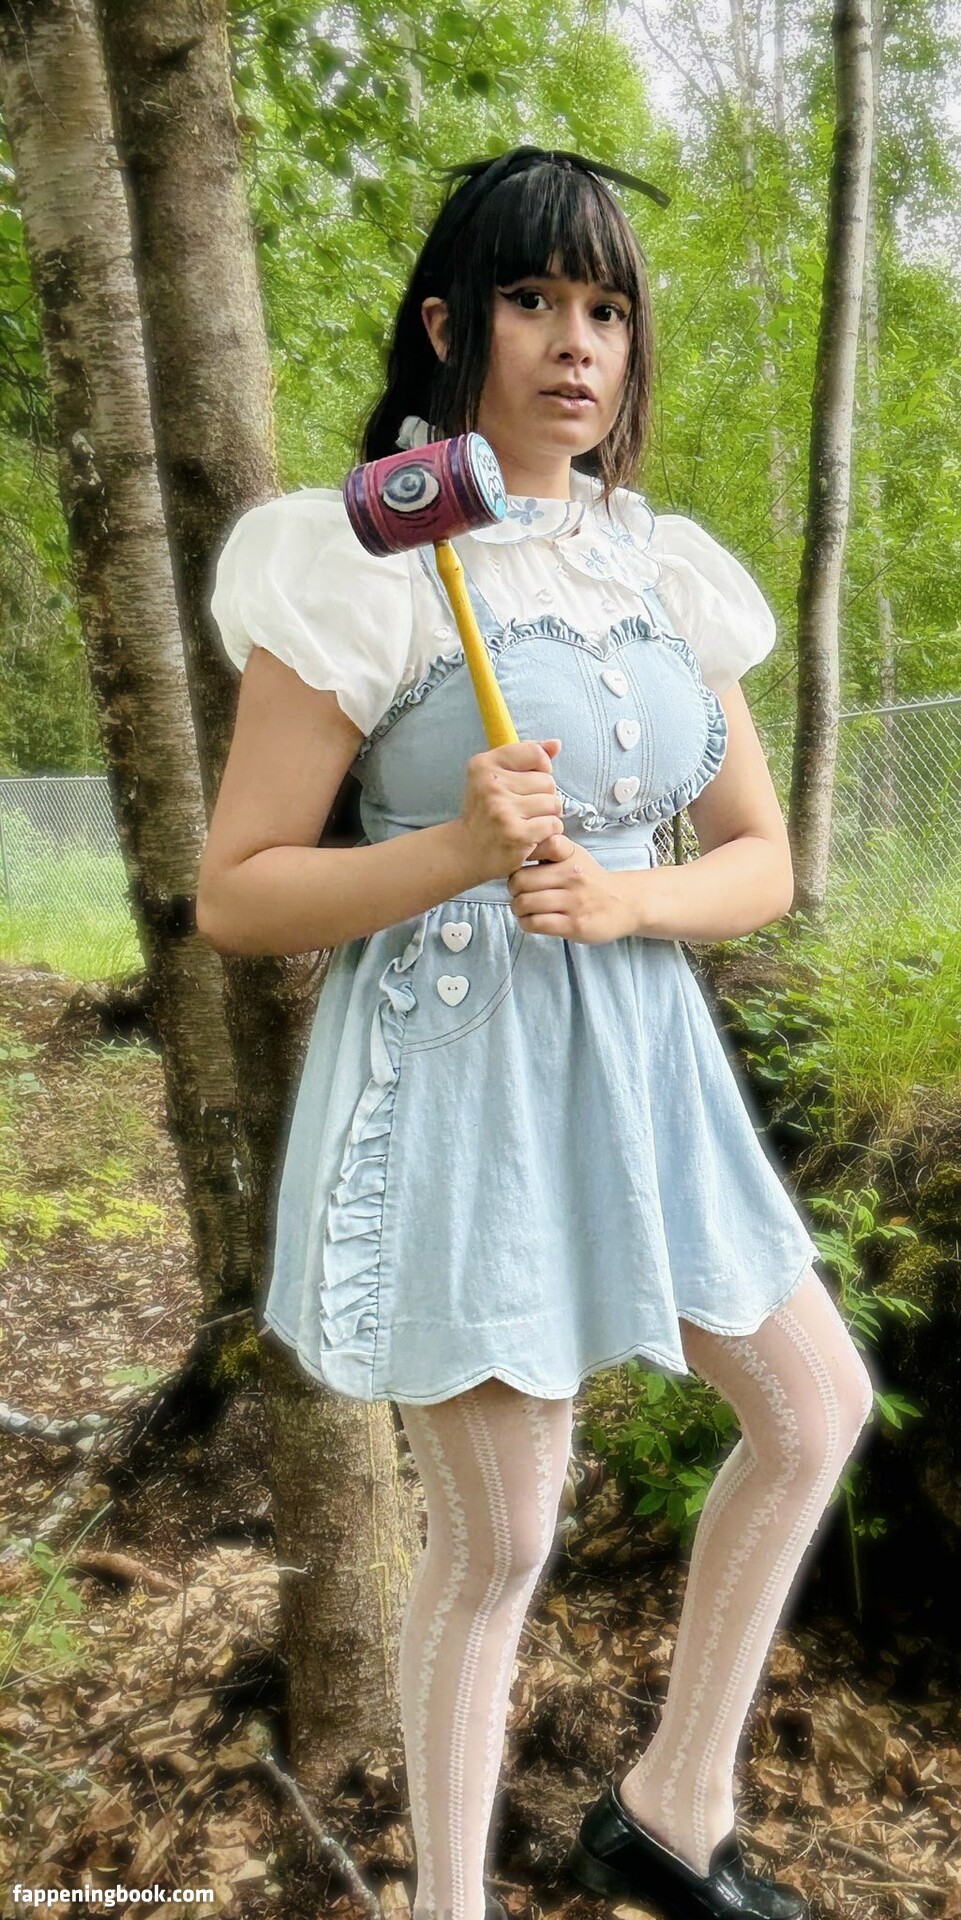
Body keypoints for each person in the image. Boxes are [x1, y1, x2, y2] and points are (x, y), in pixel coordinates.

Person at [196, 145, 876, 1920]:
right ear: (448, 326)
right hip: (459, 1077)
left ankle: (673, 1806)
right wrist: (451, 850)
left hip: (647, 1073)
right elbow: (239, 893)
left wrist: (629, 902)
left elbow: (760, 859)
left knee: (814, 1407)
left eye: (606, 309)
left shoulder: (662, 568)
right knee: (501, 1537)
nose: (578, 343)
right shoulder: (361, 561)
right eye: (532, 300)